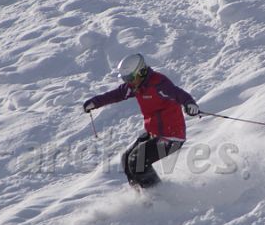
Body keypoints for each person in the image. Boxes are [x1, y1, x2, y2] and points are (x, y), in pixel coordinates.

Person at [83, 53, 200, 188]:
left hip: (171, 136)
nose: (128, 82)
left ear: (142, 72)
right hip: (154, 133)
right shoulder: (136, 86)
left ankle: (158, 195)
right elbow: (117, 94)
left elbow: (179, 94)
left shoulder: (159, 84)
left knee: (137, 161)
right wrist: (95, 102)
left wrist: (190, 104)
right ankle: (140, 194)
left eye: (130, 78)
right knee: (126, 159)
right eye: (125, 79)